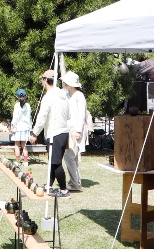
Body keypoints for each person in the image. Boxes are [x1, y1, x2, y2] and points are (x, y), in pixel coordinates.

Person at [30, 70, 71, 198]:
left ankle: (64, 191)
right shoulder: (63, 95)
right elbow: (69, 114)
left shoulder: (48, 97)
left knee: (56, 162)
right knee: (53, 161)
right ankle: (49, 185)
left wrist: (34, 133)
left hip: (55, 133)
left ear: (45, 80)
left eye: (42, 79)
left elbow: (42, 117)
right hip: (63, 132)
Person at [61, 70, 93, 192]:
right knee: (71, 156)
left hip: (76, 129)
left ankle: (75, 182)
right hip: (71, 128)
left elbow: (81, 115)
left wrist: (78, 131)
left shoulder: (79, 96)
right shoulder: (69, 95)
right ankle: (75, 180)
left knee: (70, 156)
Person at [10, 89, 32, 164]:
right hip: (26, 127)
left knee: (17, 145)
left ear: (17, 97)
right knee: (24, 145)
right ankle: (25, 161)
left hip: (18, 127)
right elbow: (29, 117)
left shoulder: (17, 106)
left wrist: (13, 126)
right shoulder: (28, 106)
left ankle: (17, 161)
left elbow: (15, 117)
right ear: (25, 96)